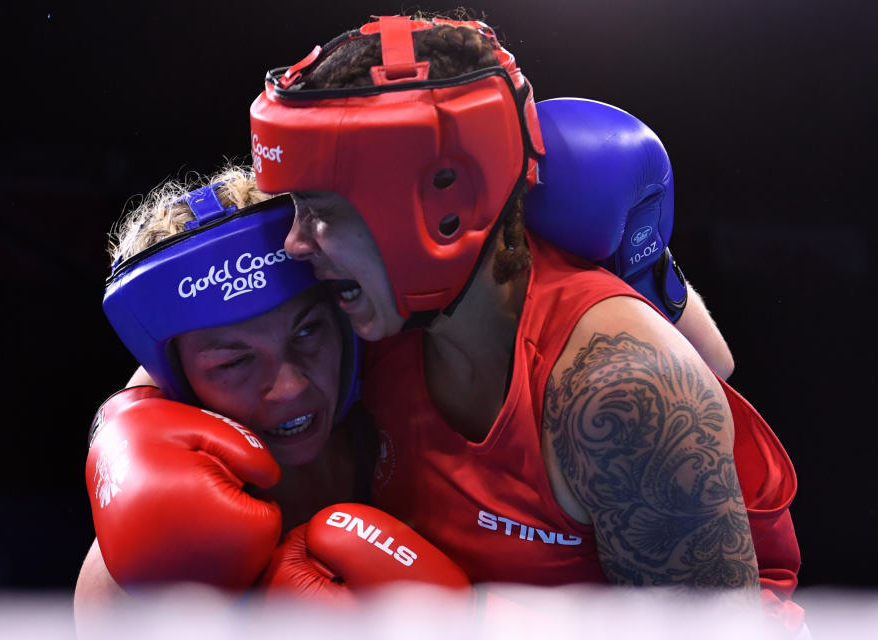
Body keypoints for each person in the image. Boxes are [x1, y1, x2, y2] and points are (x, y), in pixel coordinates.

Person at [249, 12, 802, 632]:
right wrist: (130, 431)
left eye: (319, 211)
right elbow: (187, 331)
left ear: (437, 206)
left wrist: (476, 621)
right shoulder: (367, 308)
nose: (294, 243)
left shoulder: (619, 390)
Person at [74, 167, 469, 627]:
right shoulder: (148, 561)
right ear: (177, 380)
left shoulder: (422, 387)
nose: (291, 386)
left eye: (308, 331)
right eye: (234, 363)